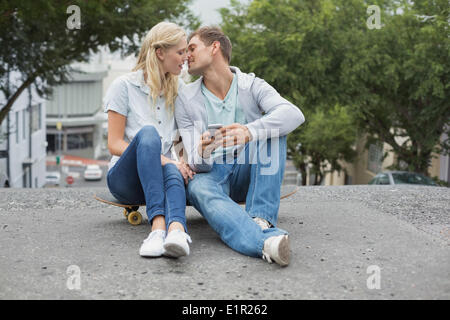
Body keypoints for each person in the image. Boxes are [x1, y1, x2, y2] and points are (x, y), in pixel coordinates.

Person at [175, 27, 305, 266]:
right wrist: (203, 151)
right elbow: (194, 162)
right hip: (213, 173)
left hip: (250, 170)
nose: (186, 56)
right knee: (196, 188)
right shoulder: (185, 97)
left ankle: (260, 220)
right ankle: (265, 241)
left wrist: (249, 131)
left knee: (273, 131)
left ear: (215, 47)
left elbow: (294, 114)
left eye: (192, 48)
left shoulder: (252, 85)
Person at [104, 22, 195, 258]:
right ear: (160, 52)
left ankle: (176, 231)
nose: (185, 57)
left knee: (174, 171)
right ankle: (157, 229)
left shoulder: (179, 89)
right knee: (148, 134)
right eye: (180, 52)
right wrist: (168, 161)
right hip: (125, 179)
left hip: (159, 176)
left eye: (186, 51)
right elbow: (114, 144)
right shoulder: (123, 86)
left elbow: (179, 140)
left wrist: (183, 162)